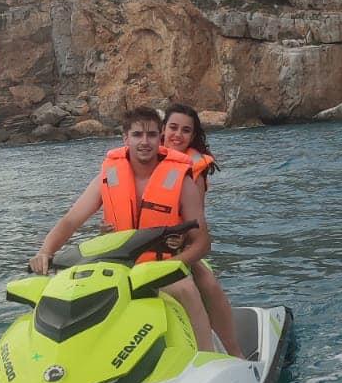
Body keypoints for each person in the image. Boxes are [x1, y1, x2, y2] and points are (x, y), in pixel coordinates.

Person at [28, 106, 216, 352]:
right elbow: (71, 221)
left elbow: (202, 242)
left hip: (162, 268)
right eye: (137, 135)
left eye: (151, 135)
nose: (144, 142)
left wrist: (171, 266)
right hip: (117, 269)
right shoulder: (108, 176)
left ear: (160, 138)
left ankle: (207, 356)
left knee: (185, 288)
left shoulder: (182, 181)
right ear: (125, 138)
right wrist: (45, 252)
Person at [161, 100, 242, 358]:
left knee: (203, 279)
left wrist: (181, 240)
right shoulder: (148, 158)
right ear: (163, 130)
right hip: (144, 244)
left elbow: (196, 219)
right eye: (173, 128)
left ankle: (233, 352)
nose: (177, 135)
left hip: (181, 243)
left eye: (186, 131)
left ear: (193, 136)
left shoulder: (193, 172)